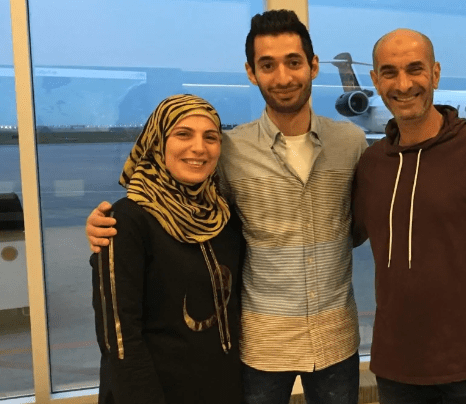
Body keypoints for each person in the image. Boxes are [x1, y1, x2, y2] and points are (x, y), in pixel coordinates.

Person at [87, 10, 367, 404]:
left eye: (293, 62)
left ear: (313, 66)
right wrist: (106, 225)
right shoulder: (232, 151)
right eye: (267, 65)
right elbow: (178, 200)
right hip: (261, 345)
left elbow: (362, 220)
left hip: (335, 336)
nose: (283, 77)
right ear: (252, 73)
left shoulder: (352, 143)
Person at [352, 29, 466, 404]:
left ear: (435, 74)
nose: (403, 84)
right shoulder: (372, 165)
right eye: (389, 72)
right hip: (396, 369)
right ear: (375, 81)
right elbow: (342, 232)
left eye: (414, 69)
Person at [91, 94, 244, 404]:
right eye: (183, 134)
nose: (199, 148)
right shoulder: (128, 220)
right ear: (157, 142)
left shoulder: (224, 217)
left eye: (210, 137)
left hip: (223, 390)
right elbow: (120, 339)